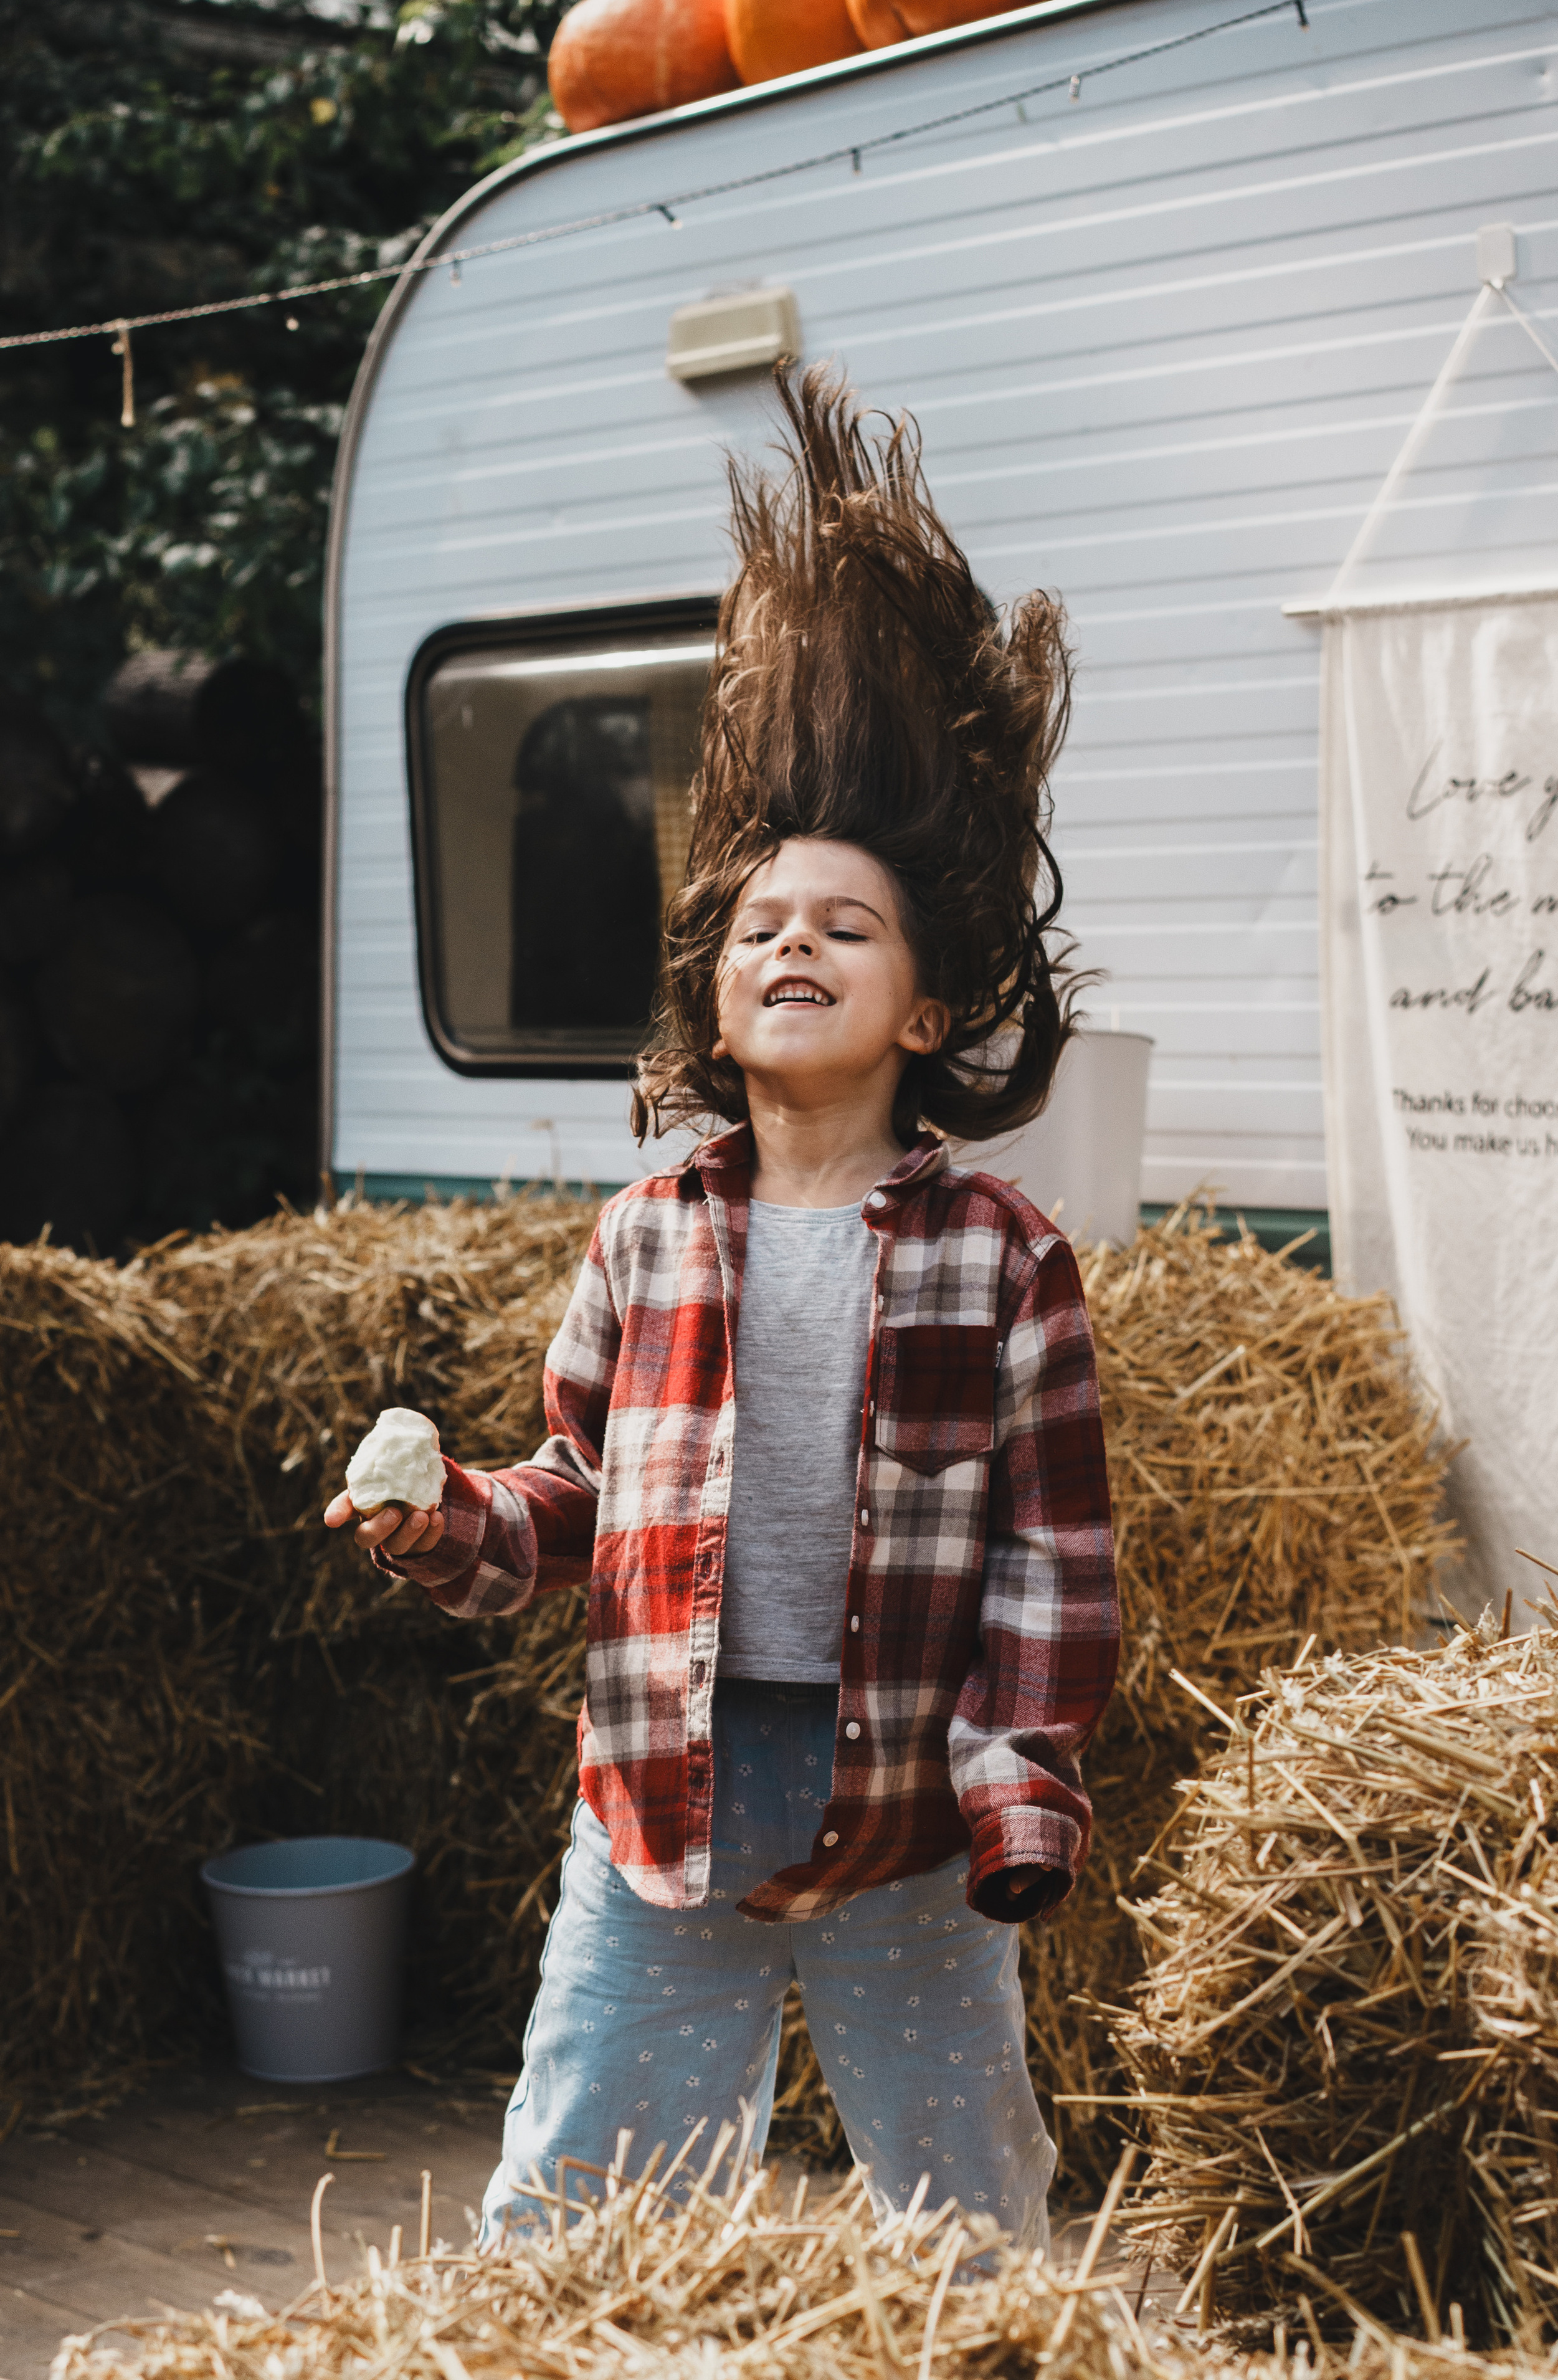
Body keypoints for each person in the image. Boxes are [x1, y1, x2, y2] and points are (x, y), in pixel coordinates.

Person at [325, 366, 1120, 2254]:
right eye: (763, 924)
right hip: (662, 1777)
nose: (794, 945)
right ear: (714, 993)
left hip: (901, 1778)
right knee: (571, 2185)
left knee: (968, 2208)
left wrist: (1005, 1809)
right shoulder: (646, 1236)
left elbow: (1052, 1567)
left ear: (927, 1013)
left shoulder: (1003, 1257)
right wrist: (449, 1526)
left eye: (846, 928)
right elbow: (576, 1501)